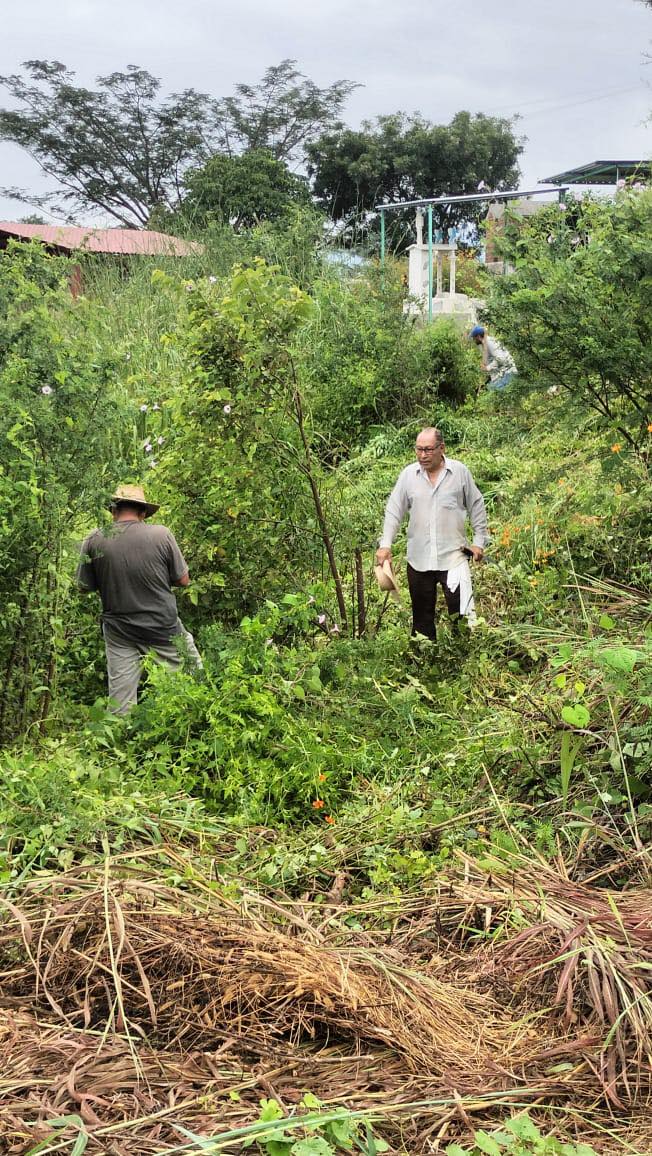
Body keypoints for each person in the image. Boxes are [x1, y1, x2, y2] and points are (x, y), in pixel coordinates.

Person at [76, 484, 202, 714]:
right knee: (195, 680)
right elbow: (183, 580)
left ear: (113, 510)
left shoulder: (93, 539)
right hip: (162, 628)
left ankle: (119, 742)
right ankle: (193, 726)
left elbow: (84, 587)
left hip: (119, 631)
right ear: (143, 513)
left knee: (120, 701)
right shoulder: (161, 534)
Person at [376, 428, 488, 641]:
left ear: (441, 448)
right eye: (418, 450)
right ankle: (424, 663)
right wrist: (385, 544)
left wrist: (479, 543)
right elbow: (394, 509)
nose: (422, 455)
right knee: (421, 620)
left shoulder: (460, 473)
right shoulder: (409, 475)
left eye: (428, 450)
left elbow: (476, 504)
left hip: (454, 558)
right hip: (419, 559)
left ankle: (463, 661)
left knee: (461, 616)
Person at [470, 325, 517, 391]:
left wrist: (488, 368)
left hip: (507, 373)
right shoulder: (484, 344)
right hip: (501, 374)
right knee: (486, 390)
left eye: (474, 338)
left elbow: (501, 359)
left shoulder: (490, 343)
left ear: (478, 337)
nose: (473, 340)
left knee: (491, 394)